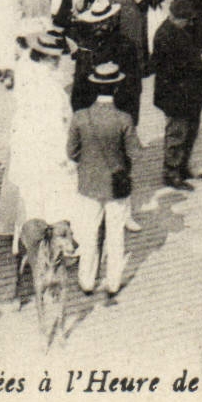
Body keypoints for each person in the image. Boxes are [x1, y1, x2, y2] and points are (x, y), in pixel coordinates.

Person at [0, 28, 80, 268]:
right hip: (46, 152)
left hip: (25, 147)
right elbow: (56, 127)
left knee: (30, 199)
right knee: (55, 200)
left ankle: (25, 242)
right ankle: (54, 250)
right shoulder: (51, 89)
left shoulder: (25, 68)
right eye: (57, 57)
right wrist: (66, 156)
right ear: (50, 58)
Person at [69, 62, 136, 301]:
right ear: (116, 88)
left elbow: (71, 152)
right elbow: (134, 152)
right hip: (117, 185)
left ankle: (87, 281)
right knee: (115, 235)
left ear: (95, 87)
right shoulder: (124, 119)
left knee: (89, 234)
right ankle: (113, 283)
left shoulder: (80, 117)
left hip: (88, 184)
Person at [152, 0, 202, 191]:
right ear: (174, 17)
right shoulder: (164, 36)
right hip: (175, 96)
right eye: (186, 19)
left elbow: (193, 46)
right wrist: (201, 61)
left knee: (190, 132)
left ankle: (182, 167)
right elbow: (173, 69)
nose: (189, 23)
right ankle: (171, 173)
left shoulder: (182, 29)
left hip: (192, 93)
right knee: (177, 134)